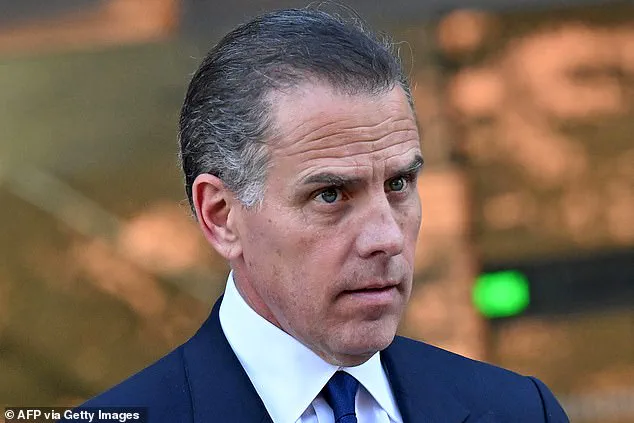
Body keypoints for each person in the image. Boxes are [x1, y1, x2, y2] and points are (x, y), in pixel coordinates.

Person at [76, 8, 570, 423]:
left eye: (398, 184)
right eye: (331, 195)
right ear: (221, 216)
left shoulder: (520, 410)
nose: (386, 238)